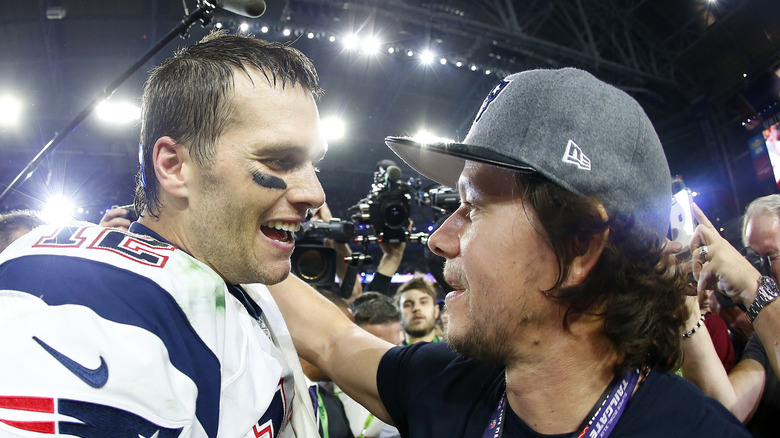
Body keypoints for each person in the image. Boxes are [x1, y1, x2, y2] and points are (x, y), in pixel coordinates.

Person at [268, 68, 748, 437]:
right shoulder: (452, 385)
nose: (439, 240)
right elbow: (332, 340)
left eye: (473, 209)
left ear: (579, 248)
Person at [0, 31, 325, 437]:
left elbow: (345, 346)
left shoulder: (242, 283)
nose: (315, 193)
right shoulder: (87, 289)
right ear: (173, 166)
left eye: (314, 165)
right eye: (279, 160)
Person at [682, 195, 780, 436]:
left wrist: (753, 288)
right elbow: (726, 410)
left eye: (770, 256)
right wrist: (686, 312)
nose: (759, 269)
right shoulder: (762, 336)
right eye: (752, 258)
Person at [395, 277, 440, 344]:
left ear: (436, 311)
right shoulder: (391, 354)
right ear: (399, 314)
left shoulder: (454, 353)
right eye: (408, 304)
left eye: (423, 302)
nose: (416, 308)